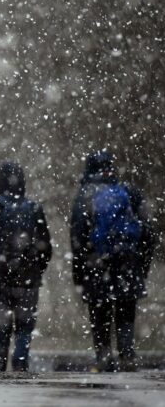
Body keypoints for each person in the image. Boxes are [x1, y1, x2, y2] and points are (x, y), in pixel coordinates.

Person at [70, 150, 156, 372]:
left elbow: (77, 239)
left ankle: (104, 356)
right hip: (127, 264)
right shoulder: (129, 192)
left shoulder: (84, 196)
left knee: (100, 315)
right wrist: (140, 266)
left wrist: (79, 276)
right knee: (125, 313)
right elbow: (148, 233)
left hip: (96, 265)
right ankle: (127, 356)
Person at [0, 161, 52, 372]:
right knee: (25, 327)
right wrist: (35, 269)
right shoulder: (34, 209)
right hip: (27, 280)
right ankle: (20, 361)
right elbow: (46, 246)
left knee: (1, 328)